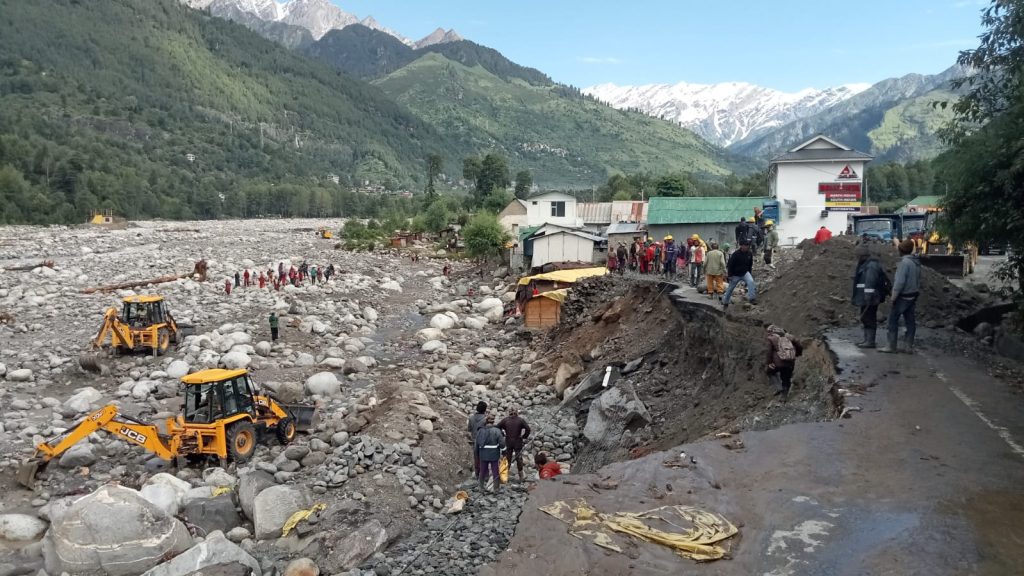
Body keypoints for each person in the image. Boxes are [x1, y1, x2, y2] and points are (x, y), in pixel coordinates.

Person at [880, 239, 921, 353]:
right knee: (910, 321)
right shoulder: (916, 263)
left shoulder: (904, 263)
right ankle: (908, 346)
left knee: (892, 320)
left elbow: (899, 282)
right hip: (913, 296)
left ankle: (891, 346)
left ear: (901, 251)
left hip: (903, 296)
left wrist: (893, 297)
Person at [852, 244, 887, 348]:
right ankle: (867, 340)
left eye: (858, 255)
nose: (856, 257)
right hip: (867, 297)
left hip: (871, 298)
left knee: (869, 318)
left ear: (862, 255)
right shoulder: (866, 264)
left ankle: (870, 341)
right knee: (866, 318)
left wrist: (868, 296)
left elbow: (870, 282)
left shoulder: (871, 266)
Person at [766, 324, 803, 400]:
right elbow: (799, 346)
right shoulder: (790, 337)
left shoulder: (771, 338)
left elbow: (769, 352)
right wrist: (796, 355)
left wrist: (769, 362)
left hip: (778, 363)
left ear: (771, 331)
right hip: (790, 362)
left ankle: (779, 388)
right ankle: (784, 397)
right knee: (786, 379)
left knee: (769, 372)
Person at [498, 407, 532, 483]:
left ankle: (504, 477)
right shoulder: (520, 420)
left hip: (508, 441)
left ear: (509, 413)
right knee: (519, 458)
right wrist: (524, 436)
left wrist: (502, 433)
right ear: (517, 412)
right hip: (518, 441)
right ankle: (521, 477)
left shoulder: (505, 420)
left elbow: (497, 427)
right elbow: (528, 429)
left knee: (507, 459)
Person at [475, 413, 505, 492]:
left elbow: (476, 444)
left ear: (486, 421)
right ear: (493, 421)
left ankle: (481, 487)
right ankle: (496, 488)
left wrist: (477, 453)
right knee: (495, 471)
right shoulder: (497, 431)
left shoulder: (480, 430)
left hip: (483, 454)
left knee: (482, 470)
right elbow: (502, 443)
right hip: (494, 454)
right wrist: (504, 451)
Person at [722, 242, 757, 308]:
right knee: (730, 288)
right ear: (741, 246)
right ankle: (725, 302)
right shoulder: (735, 254)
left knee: (751, 281)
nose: (746, 247)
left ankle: (752, 298)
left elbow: (750, 264)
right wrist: (730, 275)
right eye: (745, 245)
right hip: (735, 274)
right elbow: (730, 265)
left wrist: (749, 273)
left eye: (747, 245)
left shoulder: (749, 254)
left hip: (745, 273)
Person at [467, 401, 488, 478]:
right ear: (485, 410)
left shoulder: (471, 418)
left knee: (476, 457)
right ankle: (484, 474)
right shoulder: (486, 419)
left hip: (474, 440)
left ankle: (477, 474)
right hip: (483, 441)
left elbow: (469, 429)